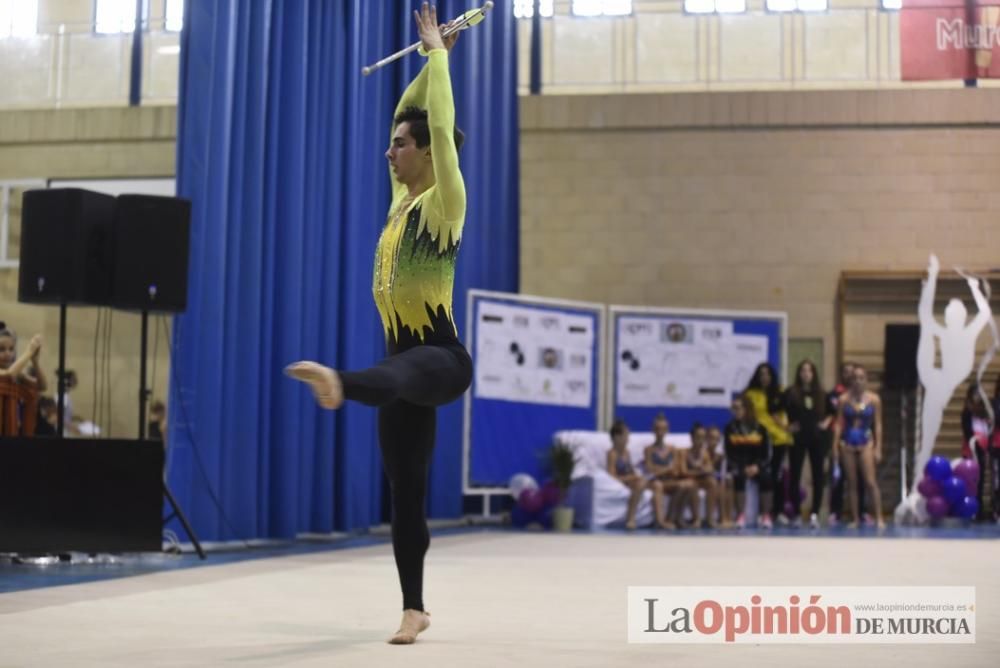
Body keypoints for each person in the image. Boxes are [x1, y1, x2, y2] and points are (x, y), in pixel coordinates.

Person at [285, 4, 469, 646]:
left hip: (441, 361)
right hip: (398, 375)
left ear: (424, 155)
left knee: (396, 373)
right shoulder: (398, 200)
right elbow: (412, 109)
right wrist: (428, 56)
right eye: (393, 142)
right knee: (405, 490)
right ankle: (413, 607)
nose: (389, 149)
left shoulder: (445, 200)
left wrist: (440, 58)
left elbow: (439, 127)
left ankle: (341, 382)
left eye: (399, 144)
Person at [832, 365, 885, 529]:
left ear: (866, 380)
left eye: (861, 378)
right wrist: (835, 446)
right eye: (855, 378)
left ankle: (879, 517)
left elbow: (878, 425)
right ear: (850, 380)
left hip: (866, 442)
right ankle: (855, 518)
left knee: (870, 481)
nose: (858, 381)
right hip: (848, 443)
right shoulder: (843, 399)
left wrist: (878, 448)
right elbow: (839, 424)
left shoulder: (874, 400)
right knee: (852, 483)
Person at [743, 363, 792, 524]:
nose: (765, 377)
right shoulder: (750, 394)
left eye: (768, 374)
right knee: (761, 474)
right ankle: (762, 511)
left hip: (778, 438)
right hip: (758, 440)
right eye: (762, 374)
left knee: (777, 475)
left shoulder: (780, 392)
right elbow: (747, 416)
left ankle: (777, 511)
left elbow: (786, 413)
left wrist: (787, 427)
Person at [784, 360, 828, 529]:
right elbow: (776, 410)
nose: (806, 373)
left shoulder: (821, 393)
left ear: (814, 373)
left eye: (809, 370)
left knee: (818, 476)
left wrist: (825, 424)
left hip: (816, 438)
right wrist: (786, 426)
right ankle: (795, 512)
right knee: (795, 474)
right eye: (803, 370)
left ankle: (814, 513)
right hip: (798, 437)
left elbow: (832, 413)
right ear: (799, 373)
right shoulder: (791, 392)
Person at [609, 419, 669, 530]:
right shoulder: (612, 454)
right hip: (623, 481)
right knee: (640, 483)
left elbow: (630, 470)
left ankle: (659, 520)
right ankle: (630, 518)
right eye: (626, 435)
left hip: (632, 480)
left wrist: (635, 474)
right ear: (617, 437)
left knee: (658, 485)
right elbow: (612, 476)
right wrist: (631, 477)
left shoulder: (627, 452)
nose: (628, 438)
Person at [724, 396, 773, 529]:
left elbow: (767, 454)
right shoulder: (730, 429)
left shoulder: (760, 428)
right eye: (734, 408)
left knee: (766, 478)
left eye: (739, 408)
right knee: (738, 477)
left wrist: (757, 466)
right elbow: (729, 454)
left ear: (747, 409)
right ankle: (741, 515)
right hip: (739, 466)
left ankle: (766, 515)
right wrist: (741, 467)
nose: (736, 411)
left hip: (757, 465)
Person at [641, 413, 694, 529]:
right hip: (655, 482)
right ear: (653, 430)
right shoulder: (648, 450)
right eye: (657, 429)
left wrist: (663, 470)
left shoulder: (672, 449)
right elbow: (651, 470)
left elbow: (675, 470)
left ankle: (674, 517)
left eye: (663, 429)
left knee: (689, 484)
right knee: (658, 485)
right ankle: (660, 521)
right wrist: (666, 469)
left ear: (667, 430)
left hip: (670, 481)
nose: (660, 432)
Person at [680, 423, 719, 528]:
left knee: (712, 482)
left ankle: (710, 517)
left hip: (700, 479)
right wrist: (701, 471)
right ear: (692, 438)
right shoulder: (685, 453)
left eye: (703, 438)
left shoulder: (704, 453)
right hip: (690, 479)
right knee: (692, 484)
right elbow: (684, 472)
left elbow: (710, 468)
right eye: (698, 438)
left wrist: (705, 470)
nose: (701, 441)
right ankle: (696, 517)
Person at [707, 425, 734, 528]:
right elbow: (708, 467)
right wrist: (716, 458)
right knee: (720, 484)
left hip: (717, 476)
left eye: (716, 439)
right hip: (706, 477)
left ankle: (729, 516)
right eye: (711, 438)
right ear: (707, 438)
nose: (714, 441)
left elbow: (724, 470)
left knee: (729, 480)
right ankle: (722, 518)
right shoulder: (704, 450)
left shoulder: (721, 452)